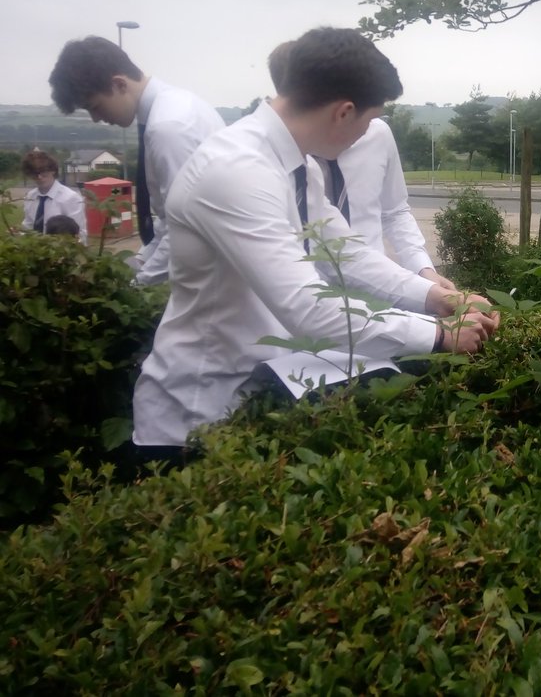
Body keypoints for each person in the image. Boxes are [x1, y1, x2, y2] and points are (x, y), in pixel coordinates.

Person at [131, 27, 497, 465]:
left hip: (260, 397)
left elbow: (347, 253)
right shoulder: (237, 171)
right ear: (344, 113)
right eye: (369, 119)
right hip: (195, 419)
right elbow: (306, 306)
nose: (367, 133)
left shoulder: (298, 166)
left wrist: (437, 297)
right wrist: (437, 337)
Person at [267, 41, 454, 289]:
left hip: (377, 287)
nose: (367, 128)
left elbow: (394, 211)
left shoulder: (378, 135)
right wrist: (436, 328)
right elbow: (299, 302)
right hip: (305, 297)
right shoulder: (270, 163)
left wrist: (424, 273)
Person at [47, 37, 225, 284]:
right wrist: (138, 263)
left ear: (119, 84)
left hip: (211, 281)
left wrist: (136, 285)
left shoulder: (170, 127)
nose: (96, 118)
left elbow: (186, 225)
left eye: (95, 106)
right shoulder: (172, 108)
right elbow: (171, 217)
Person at [20, 150, 87, 244]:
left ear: (53, 171)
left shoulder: (71, 198)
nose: (39, 177)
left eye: (43, 172)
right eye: (35, 173)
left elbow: (79, 233)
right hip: (34, 252)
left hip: (60, 252)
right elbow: (28, 226)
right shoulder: (30, 197)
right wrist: (19, 234)